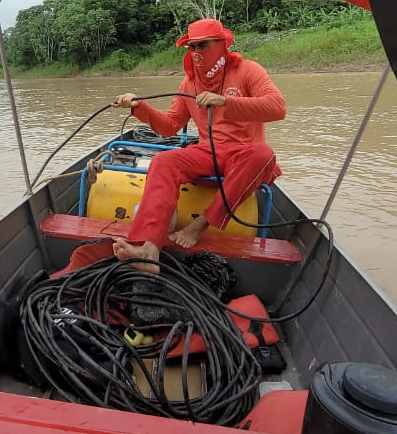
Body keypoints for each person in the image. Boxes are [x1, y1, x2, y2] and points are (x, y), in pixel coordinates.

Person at [112, 17, 286, 272]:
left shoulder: (248, 70)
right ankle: (148, 248)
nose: (196, 52)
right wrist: (140, 107)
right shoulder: (189, 83)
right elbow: (170, 126)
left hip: (244, 154)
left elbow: (278, 108)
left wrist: (226, 101)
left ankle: (200, 224)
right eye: (191, 47)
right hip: (208, 152)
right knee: (163, 160)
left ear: (221, 44)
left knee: (264, 154)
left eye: (203, 45)